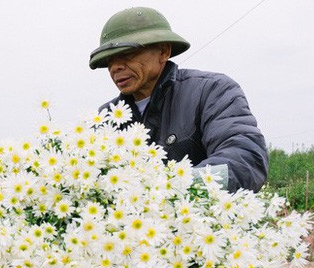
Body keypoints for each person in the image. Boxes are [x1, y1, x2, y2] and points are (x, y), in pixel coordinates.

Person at [89, 7, 268, 192]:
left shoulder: (211, 92)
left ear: (164, 52)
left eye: (127, 54)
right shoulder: (105, 119)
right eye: (109, 60)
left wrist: (173, 187)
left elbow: (246, 159)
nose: (116, 67)